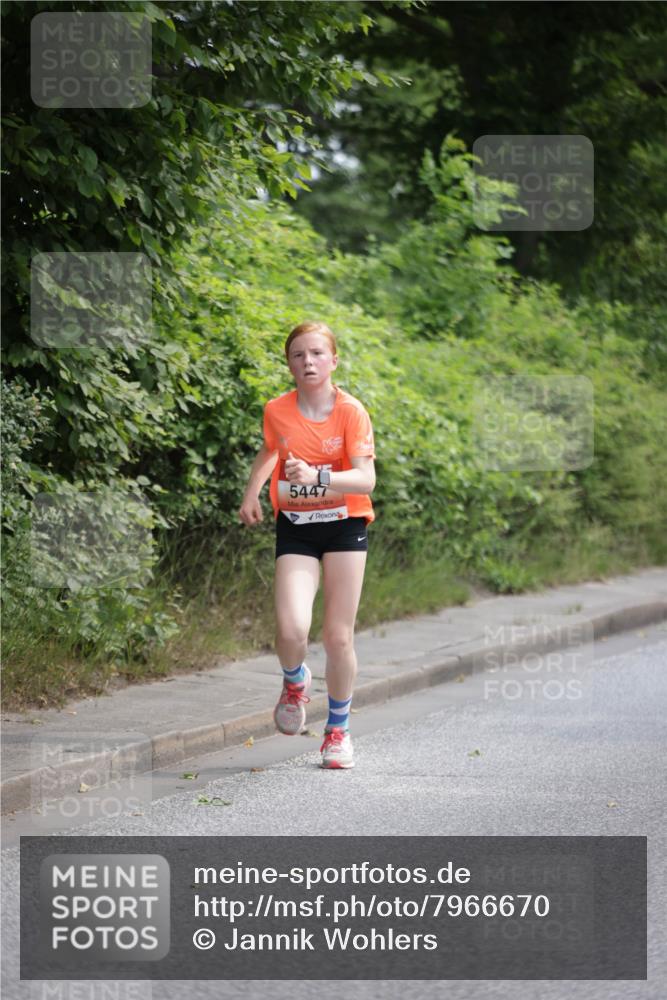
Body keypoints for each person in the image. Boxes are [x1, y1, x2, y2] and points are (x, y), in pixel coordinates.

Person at [238, 321, 376, 769]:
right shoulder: (277, 410)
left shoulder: (351, 412)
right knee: (292, 631)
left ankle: (337, 732)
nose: (308, 362)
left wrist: (318, 476)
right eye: (298, 355)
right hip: (296, 527)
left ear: (333, 361)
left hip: (344, 525)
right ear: (289, 364)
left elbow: (366, 478)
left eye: (317, 353)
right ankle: (295, 681)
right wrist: (252, 491)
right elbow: (271, 449)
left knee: (338, 636)